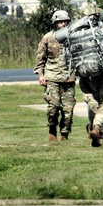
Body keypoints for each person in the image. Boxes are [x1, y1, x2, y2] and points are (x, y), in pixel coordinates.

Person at [75, 5, 103, 148]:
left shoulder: (75, 34)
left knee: (92, 103)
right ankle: (99, 130)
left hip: (85, 76)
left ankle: (97, 134)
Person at [34, 9, 76, 142]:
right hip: (52, 77)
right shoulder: (48, 38)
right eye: (60, 22)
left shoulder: (74, 37)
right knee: (53, 108)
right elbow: (40, 58)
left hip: (68, 78)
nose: (63, 24)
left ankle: (65, 134)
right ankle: (52, 130)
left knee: (68, 111)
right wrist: (40, 74)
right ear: (55, 23)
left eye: (65, 22)